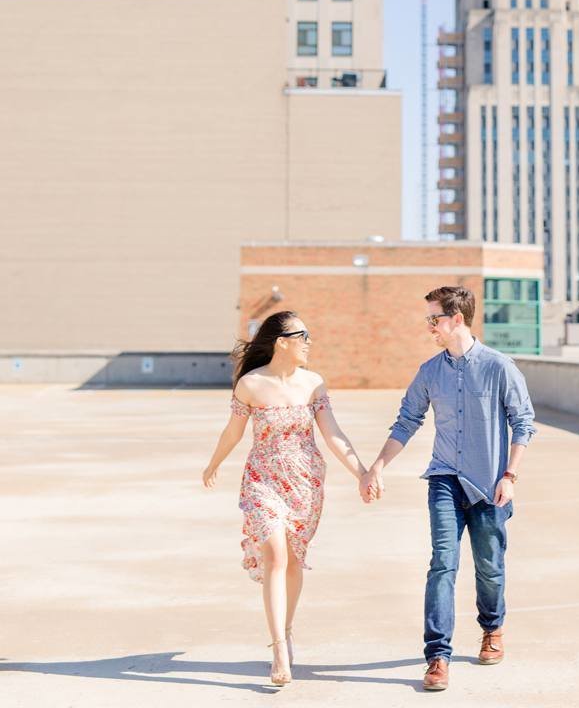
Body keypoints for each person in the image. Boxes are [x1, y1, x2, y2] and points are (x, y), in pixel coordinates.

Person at [360, 286, 536, 692]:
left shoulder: (500, 367)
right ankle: (437, 656)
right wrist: (377, 467)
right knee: (443, 562)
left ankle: (492, 629)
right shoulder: (429, 372)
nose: (429, 328)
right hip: (444, 480)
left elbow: (523, 424)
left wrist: (510, 476)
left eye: (434, 319)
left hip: (491, 485)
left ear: (457, 319)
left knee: (489, 568)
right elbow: (406, 421)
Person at [202, 309, 373, 687]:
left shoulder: (314, 384)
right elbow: (233, 432)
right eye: (303, 335)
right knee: (276, 555)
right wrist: (213, 464)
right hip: (263, 480)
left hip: (305, 482)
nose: (309, 342)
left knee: (294, 560)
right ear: (282, 342)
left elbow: (332, 434)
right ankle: (278, 647)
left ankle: (288, 628)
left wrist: (362, 472)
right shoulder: (250, 384)